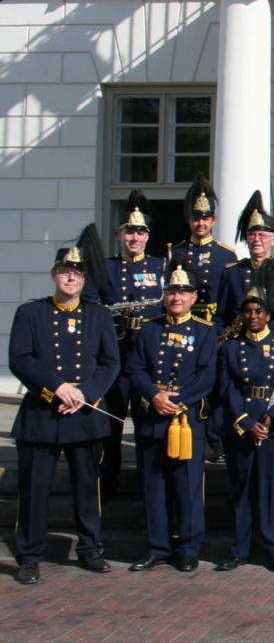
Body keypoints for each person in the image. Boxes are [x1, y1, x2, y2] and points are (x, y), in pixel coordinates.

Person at [8, 225, 120, 585]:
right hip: (42, 414)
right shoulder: (31, 313)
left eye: (77, 273)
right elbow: (21, 359)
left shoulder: (99, 315)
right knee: (34, 490)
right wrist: (56, 388)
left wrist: (85, 393)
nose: (71, 278)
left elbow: (110, 363)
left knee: (87, 488)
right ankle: (29, 555)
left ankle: (90, 549)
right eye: (65, 272)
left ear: (85, 279)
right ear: (54, 274)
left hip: (83, 415)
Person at [126, 256, 217, 573]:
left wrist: (176, 401)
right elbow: (135, 369)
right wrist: (154, 395)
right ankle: (158, 547)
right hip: (152, 415)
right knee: (154, 486)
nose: (176, 298)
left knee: (187, 486)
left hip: (185, 419)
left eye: (183, 292)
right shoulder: (149, 329)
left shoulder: (205, 332)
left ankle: (189, 547)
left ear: (194, 298)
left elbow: (207, 377)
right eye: (171, 292)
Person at [215, 265, 274, 573]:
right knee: (242, 487)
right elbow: (226, 386)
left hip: (272, 423)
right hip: (243, 423)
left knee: (271, 487)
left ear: (268, 314)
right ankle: (240, 547)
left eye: (258, 311)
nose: (252, 316)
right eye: (247, 311)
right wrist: (242, 420)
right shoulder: (230, 347)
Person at [215, 191, 274, 464]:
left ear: (272, 240)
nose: (257, 240)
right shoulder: (233, 272)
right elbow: (221, 315)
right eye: (252, 235)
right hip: (240, 348)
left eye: (263, 235)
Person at [100, 189, 164, 500]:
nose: (134, 238)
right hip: (115, 356)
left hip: (148, 360)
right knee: (110, 423)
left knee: (145, 425)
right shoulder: (106, 268)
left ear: (147, 236)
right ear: (119, 234)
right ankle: (107, 482)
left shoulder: (159, 267)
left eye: (139, 232)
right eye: (129, 232)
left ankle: (145, 485)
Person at [170, 174, 236, 462]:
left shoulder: (226, 255)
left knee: (218, 386)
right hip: (184, 327)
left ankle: (217, 442)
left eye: (206, 218)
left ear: (214, 220)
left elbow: (231, 297)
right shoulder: (177, 252)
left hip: (215, 328)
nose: (200, 223)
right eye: (196, 218)